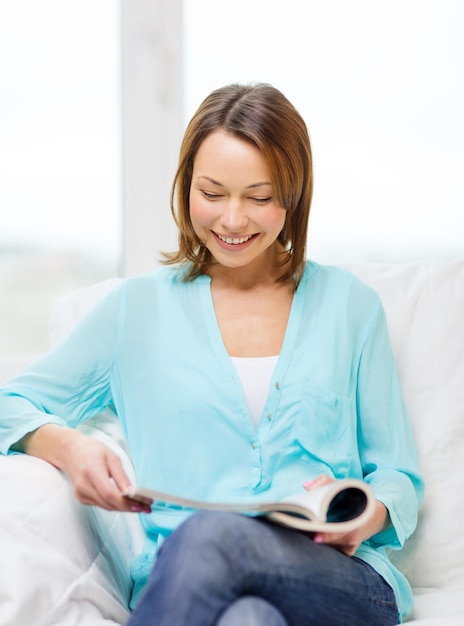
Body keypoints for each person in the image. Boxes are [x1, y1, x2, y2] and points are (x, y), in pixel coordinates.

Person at [0, 83, 423, 626]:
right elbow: (11, 402)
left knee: (214, 537)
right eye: (213, 193)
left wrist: (363, 515)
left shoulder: (351, 308)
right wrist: (67, 445)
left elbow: (397, 475)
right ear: (186, 188)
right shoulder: (135, 310)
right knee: (246, 618)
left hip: (336, 580)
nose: (232, 219)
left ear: (293, 196)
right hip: (187, 582)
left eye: (260, 196)